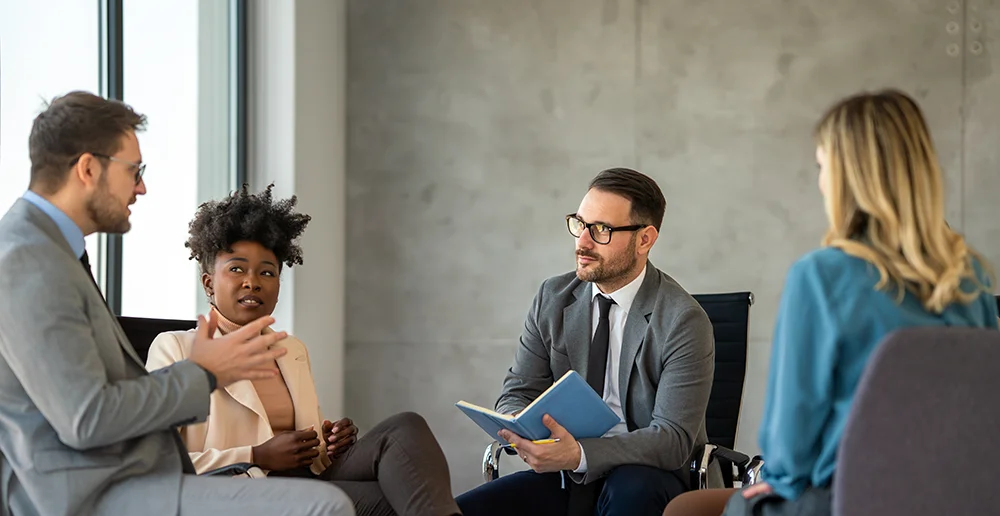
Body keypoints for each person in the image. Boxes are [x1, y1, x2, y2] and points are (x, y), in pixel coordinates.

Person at [0, 91, 353, 515]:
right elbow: (86, 419)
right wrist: (203, 373)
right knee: (326, 507)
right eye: (134, 170)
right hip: (94, 496)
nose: (142, 186)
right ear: (89, 169)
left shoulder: (52, 252)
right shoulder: (27, 260)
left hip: (130, 479)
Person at [664, 89, 1000, 516]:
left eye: (823, 167)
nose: (821, 182)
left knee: (686, 510)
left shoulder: (822, 277)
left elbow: (789, 451)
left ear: (848, 176)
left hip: (843, 501)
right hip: (957, 500)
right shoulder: (970, 279)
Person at [145, 184, 462, 516]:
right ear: (209, 282)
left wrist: (332, 444)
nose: (252, 282)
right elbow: (156, 461)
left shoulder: (291, 350)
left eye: (267, 272)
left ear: (279, 285)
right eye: (236, 269)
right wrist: (256, 455)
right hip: (240, 493)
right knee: (397, 498)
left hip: (305, 481)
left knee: (404, 430)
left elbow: (312, 456)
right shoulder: (177, 348)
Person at [455, 167, 717, 516]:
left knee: (632, 493)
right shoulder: (553, 297)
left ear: (645, 239)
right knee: (461, 511)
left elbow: (672, 440)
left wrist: (580, 453)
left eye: (602, 230)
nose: (583, 241)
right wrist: (517, 424)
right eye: (580, 223)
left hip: (648, 474)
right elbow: (518, 389)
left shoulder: (683, 320)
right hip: (568, 476)